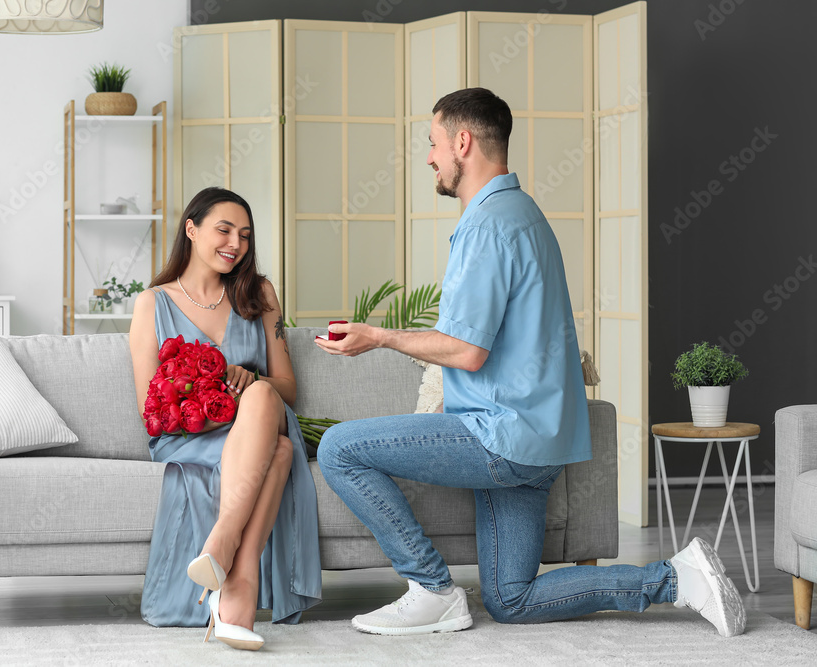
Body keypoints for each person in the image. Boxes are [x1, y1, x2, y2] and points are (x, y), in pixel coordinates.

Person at [315, 88, 746, 638]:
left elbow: (467, 351)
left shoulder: (489, 223)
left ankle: (431, 587)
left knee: (339, 448)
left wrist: (378, 336)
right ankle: (678, 579)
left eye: (433, 144)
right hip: (537, 440)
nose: (429, 157)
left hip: (501, 435)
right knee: (511, 598)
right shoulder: (523, 213)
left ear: (462, 142)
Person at [131, 187, 321, 650]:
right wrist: (210, 400)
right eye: (224, 230)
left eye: (245, 235)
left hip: (261, 419)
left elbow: (288, 389)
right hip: (189, 437)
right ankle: (239, 582)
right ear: (191, 229)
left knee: (259, 394)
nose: (235, 243)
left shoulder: (259, 294)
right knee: (278, 451)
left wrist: (249, 378)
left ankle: (221, 544)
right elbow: (151, 413)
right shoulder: (152, 303)